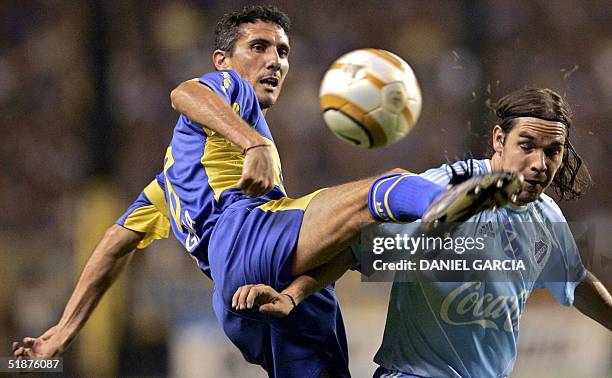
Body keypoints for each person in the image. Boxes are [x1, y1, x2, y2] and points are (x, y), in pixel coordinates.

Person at [12, 5, 517, 377]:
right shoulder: (229, 95)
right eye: (259, 47)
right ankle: (452, 209)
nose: (275, 60)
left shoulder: (167, 186)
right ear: (223, 61)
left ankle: (439, 220)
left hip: (251, 295)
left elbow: (114, 244)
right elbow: (183, 93)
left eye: (282, 51)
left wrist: (63, 331)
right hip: (249, 231)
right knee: (384, 188)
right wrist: (255, 142)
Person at [232, 88, 612, 377]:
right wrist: (292, 296)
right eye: (526, 146)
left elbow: (575, 281)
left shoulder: (546, 216)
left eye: (553, 152)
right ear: (499, 140)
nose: (539, 164)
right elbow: (354, 250)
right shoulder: (444, 194)